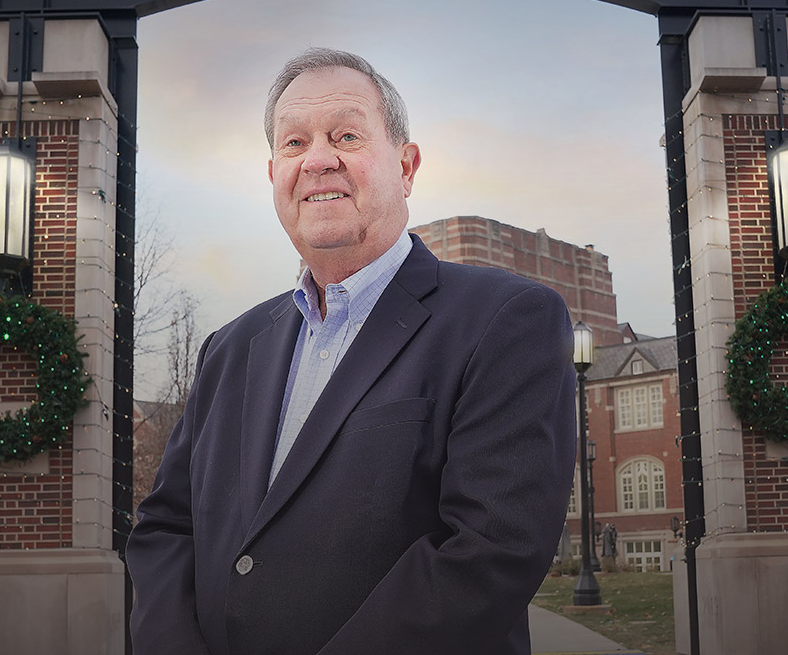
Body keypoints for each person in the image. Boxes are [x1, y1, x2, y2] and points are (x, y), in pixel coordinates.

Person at [127, 48, 577, 655]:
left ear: (407, 165)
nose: (317, 160)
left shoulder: (505, 321)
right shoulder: (229, 349)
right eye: (294, 144)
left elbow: (489, 550)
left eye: (345, 135)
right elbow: (165, 528)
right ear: (273, 177)